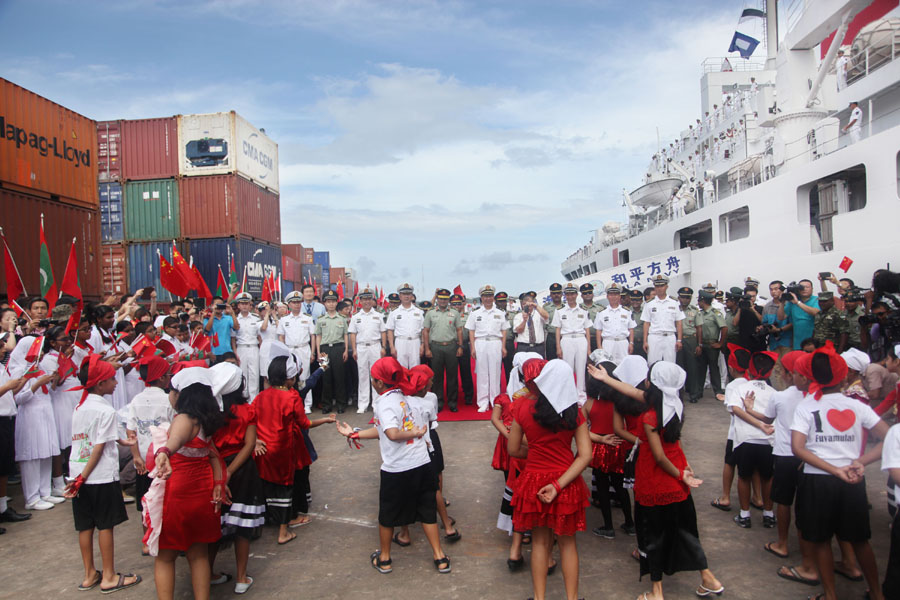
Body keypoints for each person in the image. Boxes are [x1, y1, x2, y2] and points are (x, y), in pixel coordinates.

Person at [588, 361, 723, 600]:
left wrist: (680, 473)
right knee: (685, 530)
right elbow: (633, 392)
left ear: (653, 384)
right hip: (677, 480)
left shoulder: (651, 414)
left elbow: (659, 457)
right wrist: (606, 378)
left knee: (653, 535)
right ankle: (708, 577)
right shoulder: (675, 405)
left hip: (655, 481)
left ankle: (656, 591)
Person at [791, 343, 889, 600]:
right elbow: (890, 438)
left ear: (813, 377)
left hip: (817, 480)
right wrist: (861, 462)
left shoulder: (806, 407)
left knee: (821, 540)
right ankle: (877, 593)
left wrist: (833, 470)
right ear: (844, 376)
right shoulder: (857, 406)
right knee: (860, 540)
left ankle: (831, 595)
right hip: (853, 480)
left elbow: (798, 449)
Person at [335, 357, 451, 575]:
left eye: (373, 379)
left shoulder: (384, 403)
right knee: (427, 510)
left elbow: (392, 433)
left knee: (387, 515)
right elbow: (382, 431)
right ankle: (440, 556)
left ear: (379, 382)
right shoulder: (404, 397)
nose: (372, 382)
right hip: (422, 463)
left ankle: (385, 559)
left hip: (398, 468)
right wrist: (354, 433)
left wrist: (415, 433)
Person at [507, 359, 591, 600]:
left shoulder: (522, 406)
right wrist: (557, 484)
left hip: (533, 481)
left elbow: (513, 449)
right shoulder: (573, 411)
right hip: (566, 482)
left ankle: (540, 597)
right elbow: (585, 455)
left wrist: (535, 452)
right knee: (567, 543)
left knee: (540, 543)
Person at [144, 368, 226, 600]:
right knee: (198, 553)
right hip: (202, 490)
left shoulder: (184, 419)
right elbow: (212, 455)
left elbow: (174, 440)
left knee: (165, 555)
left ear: (181, 395)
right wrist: (219, 482)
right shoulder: (206, 421)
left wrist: (163, 453)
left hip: (179, 491)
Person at [740, 350, 820, 584]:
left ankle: (782, 543)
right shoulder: (817, 397)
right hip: (812, 458)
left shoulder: (782, 397)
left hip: (786, 454)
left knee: (784, 502)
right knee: (806, 507)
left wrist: (748, 407)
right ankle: (813, 554)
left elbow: (767, 420)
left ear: (789, 374)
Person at [64, 354, 141, 594]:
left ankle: (89, 574)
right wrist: (84, 477)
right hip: (97, 476)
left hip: (78, 472)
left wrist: (124, 442)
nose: (116, 383)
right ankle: (108, 575)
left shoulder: (81, 406)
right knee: (106, 525)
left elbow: (95, 437)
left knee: (85, 526)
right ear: (99, 384)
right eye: (111, 379)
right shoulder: (105, 410)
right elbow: (98, 447)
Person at [254, 353, 333, 544]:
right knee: (286, 486)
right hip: (284, 448)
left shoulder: (260, 396)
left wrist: (256, 440)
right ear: (289, 378)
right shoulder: (291, 397)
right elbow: (304, 423)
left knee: (268, 484)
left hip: (264, 448)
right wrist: (325, 420)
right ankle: (284, 530)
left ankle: (269, 520)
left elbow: (252, 420)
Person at [208, 362, 264, 595]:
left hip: (215, 468)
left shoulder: (211, 412)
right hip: (243, 470)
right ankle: (242, 577)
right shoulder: (247, 410)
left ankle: (209, 573)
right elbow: (249, 444)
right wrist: (231, 471)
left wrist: (221, 473)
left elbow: (209, 445)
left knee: (214, 524)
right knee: (243, 526)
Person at [393, 365, 461, 546]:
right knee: (434, 487)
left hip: (408, 447)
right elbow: (431, 424)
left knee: (405, 487)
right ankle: (447, 525)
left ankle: (405, 532)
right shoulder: (429, 401)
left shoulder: (400, 402)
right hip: (429, 444)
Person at [125, 356, 175, 555]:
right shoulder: (167, 399)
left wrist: (136, 456)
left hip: (143, 460)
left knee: (145, 499)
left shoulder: (136, 400)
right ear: (162, 378)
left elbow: (131, 432)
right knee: (164, 498)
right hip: (163, 458)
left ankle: (146, 540)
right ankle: (166, 536)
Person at [8, 335, 62, 510]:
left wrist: (52, 381)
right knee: (32, 455)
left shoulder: (39, 367)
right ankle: (32, 497)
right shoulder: (20, 371)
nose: (39, 354)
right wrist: (36, 384)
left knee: (46, 452)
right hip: (30, 416)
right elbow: (17, 398)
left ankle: (45, 492)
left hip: (45, 413)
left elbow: (49, 393)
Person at [583, 362, 634, 539]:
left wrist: (598, 438)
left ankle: (608, 526)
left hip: (599, 448)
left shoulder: (589, 404)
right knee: (621, 487)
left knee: (602, 487)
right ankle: (629, 523)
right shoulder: (619, 403)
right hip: (618, 445)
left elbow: (580, 428)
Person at [727, 351, 777, 529]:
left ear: (750, 368)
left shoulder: (742, 388)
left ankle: (745, 514)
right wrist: (762, 425)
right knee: (767, 477)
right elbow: (772, 417)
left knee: (744, 477)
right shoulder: (773, 392)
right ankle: (769, 514)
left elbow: (735, 409)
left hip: (745, 440)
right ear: (770, 372)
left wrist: (753, 419)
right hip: (767, 441)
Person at [466, 285, 510, 412]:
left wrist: (503, 346)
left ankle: (495, 400)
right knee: (482, 373)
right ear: (481, 298)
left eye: (490, 296)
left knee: (495, 373)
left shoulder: (500, 313)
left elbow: (504, 330)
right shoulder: (475, 313)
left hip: (495, 342)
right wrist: (473, 348)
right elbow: (471, 331)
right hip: (481, 343)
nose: (488, 299)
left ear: (493, 298)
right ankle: (483, 401)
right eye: (485, 296)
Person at [423, 289, 463, 412]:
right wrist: (427, 348)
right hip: (436, 347)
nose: (443, 301)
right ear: (437, 299)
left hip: (451, 346)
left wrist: (460, 346)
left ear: (448, 300)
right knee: (436, 377)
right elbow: (426, 331)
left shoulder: (455, 313)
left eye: (445, 299)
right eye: (441, 298)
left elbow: (459, 330)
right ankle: (438, 402)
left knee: (452, 376)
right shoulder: (430, 313)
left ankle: (452, 402)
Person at [552, 284, 592, 404]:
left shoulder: (584, 310)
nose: (570, 296)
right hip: (567, 339)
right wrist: (558, 347)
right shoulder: (559, 311)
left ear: (576, 295)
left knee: (581, 368)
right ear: (565, 295)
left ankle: (581, 395)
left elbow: (587, 330)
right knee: (567, 369)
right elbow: (557, 330)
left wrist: (589, 348)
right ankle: (568, 395)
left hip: (580, 339)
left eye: (572, 294)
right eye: (568, 294)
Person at [349, 287, 387, 413]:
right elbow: (353, 334)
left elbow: (383, 332)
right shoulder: (355, 317)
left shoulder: (378, 315)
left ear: (372, 300)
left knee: (376, 375)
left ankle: (376, 403)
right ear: (360, 300)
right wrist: (354, 350)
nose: (366, 301)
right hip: (361, 347)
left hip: (375, 346)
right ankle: (363, 404)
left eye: (369, 299)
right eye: (364, 299)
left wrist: (383, 347)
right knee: (363, 375)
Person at [278, 291, 317, 412]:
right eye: (294, 302)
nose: (296, 305)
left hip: (303, 349)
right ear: (289, 304)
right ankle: (291, 402)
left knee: (305, 376)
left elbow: (313, 336)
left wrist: (313, 352)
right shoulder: (284, 320)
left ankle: (307, 404)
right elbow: (281, 337)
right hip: (289, 349)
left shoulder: (307, 318)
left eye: (298, 302)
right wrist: (283, 352)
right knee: (289, 376)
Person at [316, 290, 349, 414]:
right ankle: (327, 404)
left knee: (339, 377)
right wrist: (318, 352)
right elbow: (318, 335)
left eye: (333, 301)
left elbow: (346, 335)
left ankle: (341, 404)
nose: (331, 304)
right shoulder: (320, 319)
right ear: (324, 303)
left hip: (338, 349)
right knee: (326, 377)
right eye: (328, 302)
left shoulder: (342, 318)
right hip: (325, 350)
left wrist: (346, 350)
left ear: (337, 303)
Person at [641, 275, 685, 365]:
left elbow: (679, 322)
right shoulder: (649, 303)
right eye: (657, 286)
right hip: (654, 337)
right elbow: (646, 323)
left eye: (662, 286)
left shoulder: (674, 302)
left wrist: (679, 340)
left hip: (670, 337)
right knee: (652, 364)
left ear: (667, 287)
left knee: (670, 364)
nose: (660, 288)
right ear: (654, 287)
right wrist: (645, 341)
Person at [694, 291, 727, 402]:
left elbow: (724, 328)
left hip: (712, 344)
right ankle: (699, 391)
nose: (698, 302)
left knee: (714, 368)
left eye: (699, 300)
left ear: (703, 301)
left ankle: (718, 391)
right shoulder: (700, 313)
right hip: (702, 344)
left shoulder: (715, 313)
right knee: (701, 369)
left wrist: (720, 343)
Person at [761, 281, 793, 390]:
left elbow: (792, 323)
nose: (773, 291)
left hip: (787, 341)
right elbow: (764, 322)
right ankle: (780, 391)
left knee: (788, 368)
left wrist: (779, 329)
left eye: (776, 289)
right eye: (771, 289)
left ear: (782, 290)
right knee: (776, 369)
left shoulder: (789, 304)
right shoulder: (767, 306)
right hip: (773, 342)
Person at [385, 283, 425, 369]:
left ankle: (413, 383)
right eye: (404, 294)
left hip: (415, 342)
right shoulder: (394, 312)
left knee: (416, 369)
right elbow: (390, 330)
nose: (406, 296)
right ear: (400, 296)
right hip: (400, 342)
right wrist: (392, 347)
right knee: (401, 368)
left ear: (412, 296)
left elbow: (423, 330)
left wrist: (422, 345)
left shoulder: (419, 312)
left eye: (408, 294)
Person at [594, 283, 635, 364]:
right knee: (608, 365)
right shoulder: (601, 312)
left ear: (619, 296)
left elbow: (631, 328)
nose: (613, 297)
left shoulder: (627, 311)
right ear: (607, 296)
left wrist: (631, 343)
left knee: (624, 365)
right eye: (611, 294)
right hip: (608, 343)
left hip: (623, 343)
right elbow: (598, 331)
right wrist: (599, 347)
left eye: (616, 294)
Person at [232, 292, 261, 399]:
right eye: (242, 303)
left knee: (254, 374)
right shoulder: (235, 320)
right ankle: (244, 399)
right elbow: (233, 339)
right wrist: (235, 353)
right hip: (241, 348)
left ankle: (254, 400)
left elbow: (259, 337)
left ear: (250, 305)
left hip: (254, 348)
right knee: (242, 374)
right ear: (238, 306)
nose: (244, 306)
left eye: (246, 303)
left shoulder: (256, 319)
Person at [777, 279, 820, 350]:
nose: (804, 289)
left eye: (807, 287)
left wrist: (798, 303)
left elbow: (815, 312)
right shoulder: (793, 300)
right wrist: (782, 302)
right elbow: (781, 317)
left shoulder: (816, 299)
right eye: (801, 287)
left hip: (813, 341)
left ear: (812, 289)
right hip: (798, 343)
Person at [676, 287, 701, 402]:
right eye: (683, 297)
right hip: (677, 340)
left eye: (688, 297)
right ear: (678, 297)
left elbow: (699, 328)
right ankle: (679, 394)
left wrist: (699, 344)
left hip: (690, 339)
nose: (685, 300)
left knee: (692, 368)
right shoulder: (674, 309)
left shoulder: (695, 310)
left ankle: (694, 394)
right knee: (678, 367)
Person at [450, 294, 475, 404]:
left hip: (464, 345)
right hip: (451, 345)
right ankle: (452, 396)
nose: (456, 306)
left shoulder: (468, 316)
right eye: (454, 304)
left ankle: (469, 395)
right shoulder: (447, 315)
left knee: (466, 371)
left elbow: (471, 332)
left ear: (463, 304)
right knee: (452, 373)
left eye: (458, 304)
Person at [513, 292, 549, 359]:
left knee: (539, 367)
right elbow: (518, 331)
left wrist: (535, 306)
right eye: (525, 304)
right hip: (524, 347)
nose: (527, 306)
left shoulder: (539, 314)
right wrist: (524, 320)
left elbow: (546, 316)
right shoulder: (518, 316)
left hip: (538, 347)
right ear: (522, 305)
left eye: (530, 304)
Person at [542, 283, 564, 360]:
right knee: (551, 361)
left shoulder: (566, 306)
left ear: (561, 294)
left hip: (564, 337)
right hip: (551, 337)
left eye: (558, 293)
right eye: (554, 293)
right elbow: (543, 324)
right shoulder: (546, 307)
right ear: (550, 295)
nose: (556, 295)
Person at [579, 283, 602, 353]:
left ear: (593, 294)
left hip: (598, 339)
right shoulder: (578, 308)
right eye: (585, 293)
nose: (588, 294)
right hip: (583, 339)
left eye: (589, 292)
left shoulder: (600, 308)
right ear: (581, 296)